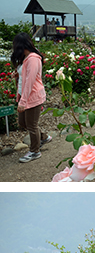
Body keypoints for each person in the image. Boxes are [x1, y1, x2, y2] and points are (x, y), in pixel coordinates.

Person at [11, 33, 51, 163]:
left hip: (33, 97)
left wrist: (23, 102)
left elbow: (30, 81)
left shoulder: (33, 59)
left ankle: (35, 151)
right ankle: (43, 137)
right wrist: (17, 74)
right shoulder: (26, 58)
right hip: (26, 95)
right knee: (23, 123)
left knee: (31, 125)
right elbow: (25, 75)